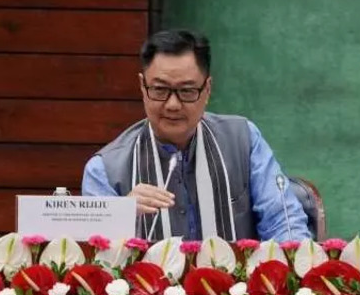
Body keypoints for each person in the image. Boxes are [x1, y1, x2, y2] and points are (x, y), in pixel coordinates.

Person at [82, 29, 311, 242]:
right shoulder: (104, 169)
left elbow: (284, 224)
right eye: (160, 90)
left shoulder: (243, 140)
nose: (173, 105)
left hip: (238, 284)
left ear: (207, 89)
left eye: (187, 91)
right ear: (143, 87)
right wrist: (120, 216)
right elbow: (96, 260)